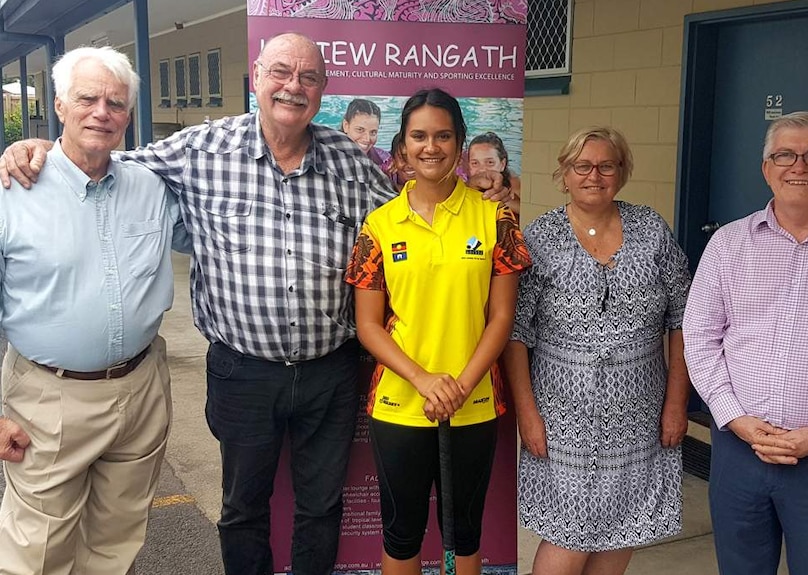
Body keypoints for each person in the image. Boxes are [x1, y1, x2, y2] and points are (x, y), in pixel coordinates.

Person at [0, 32, 512, 575]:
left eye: (309, 78)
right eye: (280, 73)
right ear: (257, 78)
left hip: (329, 372)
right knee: (242, 510)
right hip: (241, 372)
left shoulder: (350, 162)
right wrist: (38, 151)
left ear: (321, 91)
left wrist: (488, 203)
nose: (293, 87)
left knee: (321, 507)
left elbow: (420, 213)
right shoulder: (200, 150)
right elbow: (107, 156)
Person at [0, 46, 189, 575]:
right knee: (34, 551)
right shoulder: (11, 190)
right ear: (59, 104)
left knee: (117, 542)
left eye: (116, 102)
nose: (101, 111)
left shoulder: (153, 187)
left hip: (142, 389)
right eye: (87, 98)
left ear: (129, 116)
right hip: (46, 397)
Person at [345, 88, 531, 575]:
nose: (432, 147)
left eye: (444, 136)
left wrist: (460, 385)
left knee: (464, 532)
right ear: (402, 146)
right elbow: (367, 325)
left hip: (473, 404)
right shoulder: (379, 226)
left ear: (461, 144)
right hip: (401, 405)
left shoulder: (496, 219)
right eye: (419, 136)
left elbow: (502, 319)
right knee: (402, 533)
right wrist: (425, 380)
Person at [502, 126, 691, 575]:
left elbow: (683, 319)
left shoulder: (651, 231)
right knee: (569, 536)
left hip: (639, 413)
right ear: (564, 174)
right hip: (562, 415)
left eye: (607, 165)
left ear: (622, 173)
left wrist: (676, 404)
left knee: (621, 525)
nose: (594, 175)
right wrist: (527, 415)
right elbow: (515, 333)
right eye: (581, 166)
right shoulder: (540, 238)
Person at [682, 111, 808, 575]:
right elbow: (700, 338)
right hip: (739, 452)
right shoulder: (728, 245)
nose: (798, 166)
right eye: (784, 155)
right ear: (766, 169)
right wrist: (734, 417)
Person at [467, 132, 521, 216]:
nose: (482, 170)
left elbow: (525, 210)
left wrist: (505, 201)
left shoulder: (513, 182)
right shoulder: (462, 184)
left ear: (502, 164)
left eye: (489, 162)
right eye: (475, 163)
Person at [342, 98, 391, 170]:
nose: (367, 139)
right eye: (360, 130)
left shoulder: (385, 160)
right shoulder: (328, 156)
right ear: (346, 126)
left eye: (373, 132)